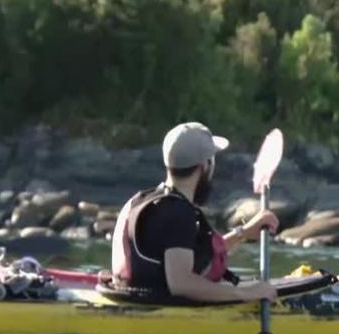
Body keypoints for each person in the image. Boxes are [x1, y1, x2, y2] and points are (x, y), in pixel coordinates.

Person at [111, 122, 277, 303]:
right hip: (157, 308)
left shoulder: (141, 200)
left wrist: (242, 233)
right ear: (204, 166)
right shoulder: (178, 214)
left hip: (134, 294)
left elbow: (194, 254)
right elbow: (182, 284)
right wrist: (248, 294)